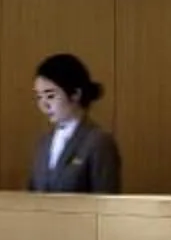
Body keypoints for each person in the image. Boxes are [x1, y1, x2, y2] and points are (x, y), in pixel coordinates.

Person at [26, 53, 122, 194]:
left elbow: (107, 200)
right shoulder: (44, 142)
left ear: (75, 94)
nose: (44, 104)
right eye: (39, 97)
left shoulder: (99, 142)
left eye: (50, 96)